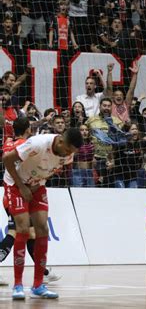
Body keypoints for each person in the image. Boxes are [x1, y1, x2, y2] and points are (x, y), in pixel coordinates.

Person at [3, 127, 83, 299]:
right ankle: (18, 285)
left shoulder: (68, 155)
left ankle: (38, 285)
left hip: (37, 185)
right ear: (60, 141)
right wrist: (22, 187)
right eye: (68, 149)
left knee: (43, 230)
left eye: (72, 152)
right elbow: (7, 159)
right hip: (15, 184)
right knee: (23, 229)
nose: (68, 154)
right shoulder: (37, 144)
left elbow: (51, 169)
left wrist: (37, 183)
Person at [0, 118, 61, 286]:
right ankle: (42, 273)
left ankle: (44, 272)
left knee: (30, 234)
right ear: (28, 129)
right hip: (17, 193)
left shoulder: (9, 142)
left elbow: (7, 157)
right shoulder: (28, 145)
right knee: (15, 232)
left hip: (11, 193)